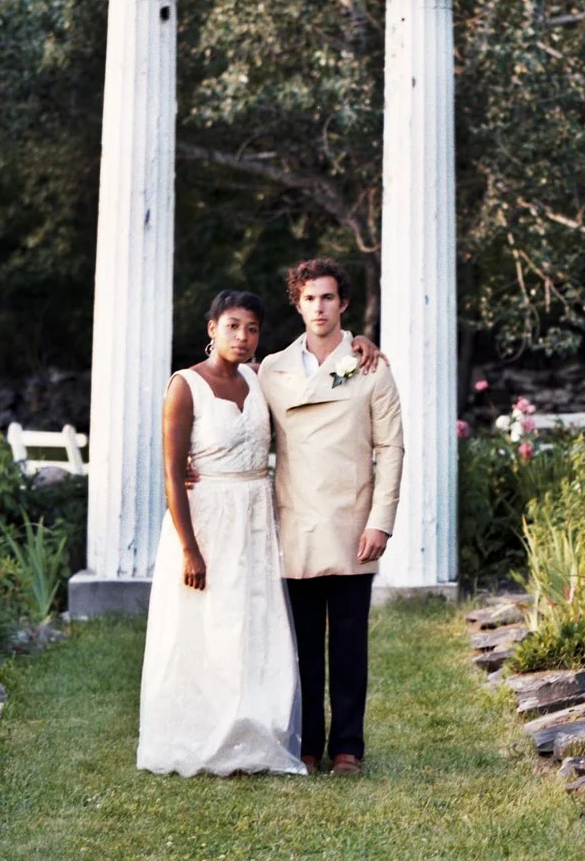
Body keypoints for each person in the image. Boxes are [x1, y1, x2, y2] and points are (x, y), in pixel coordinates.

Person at [136, 291, 307, 776]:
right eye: (233, 326)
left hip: (255, 516)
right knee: (209, 624)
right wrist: (189, 549)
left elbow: (314, 358)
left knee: (252, 621)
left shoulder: (258, 377)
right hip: (208, 520)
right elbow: (173, 473)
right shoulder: (185, 386)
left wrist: (360, 344)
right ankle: (199, 734)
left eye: (252, 329)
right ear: (212, 328)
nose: (243, 337)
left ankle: (253, 731)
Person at [259, 258, 404, 776]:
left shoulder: (366, 365)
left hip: (351, 521)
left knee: (347, 644)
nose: (318, 307)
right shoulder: (273, 369)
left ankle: (347, 747)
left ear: (343, 303)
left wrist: (380, 521)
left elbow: (390, 447)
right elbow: (242, 424)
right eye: (309, 298)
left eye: (327, 297)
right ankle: (305, 743)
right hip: (294, 519)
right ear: (297, 304)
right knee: (300, 647)